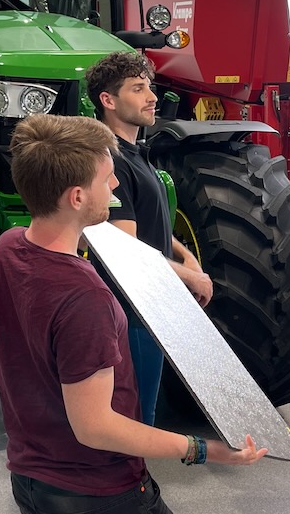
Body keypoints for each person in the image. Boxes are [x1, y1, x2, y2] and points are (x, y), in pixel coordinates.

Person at [0, 113, 265, 514]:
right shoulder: (83, 297)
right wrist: (204, 449)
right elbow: (95, 426)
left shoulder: (10, 248)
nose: (116, 184)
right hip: (98, 495)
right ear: (76, 196)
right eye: (106, 177)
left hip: (35, 482)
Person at [85, 51, 212, 426]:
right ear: (108, 100)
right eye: (138, 89)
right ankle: (134, 467)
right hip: (133, 311)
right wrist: (192, 278)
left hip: (151, 302)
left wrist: (185, 255)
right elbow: (128, 250)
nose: (152, 97)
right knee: (137, 416)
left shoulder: (135, 153)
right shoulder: (112, 160)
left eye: (150, 87)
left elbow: (147, 223)